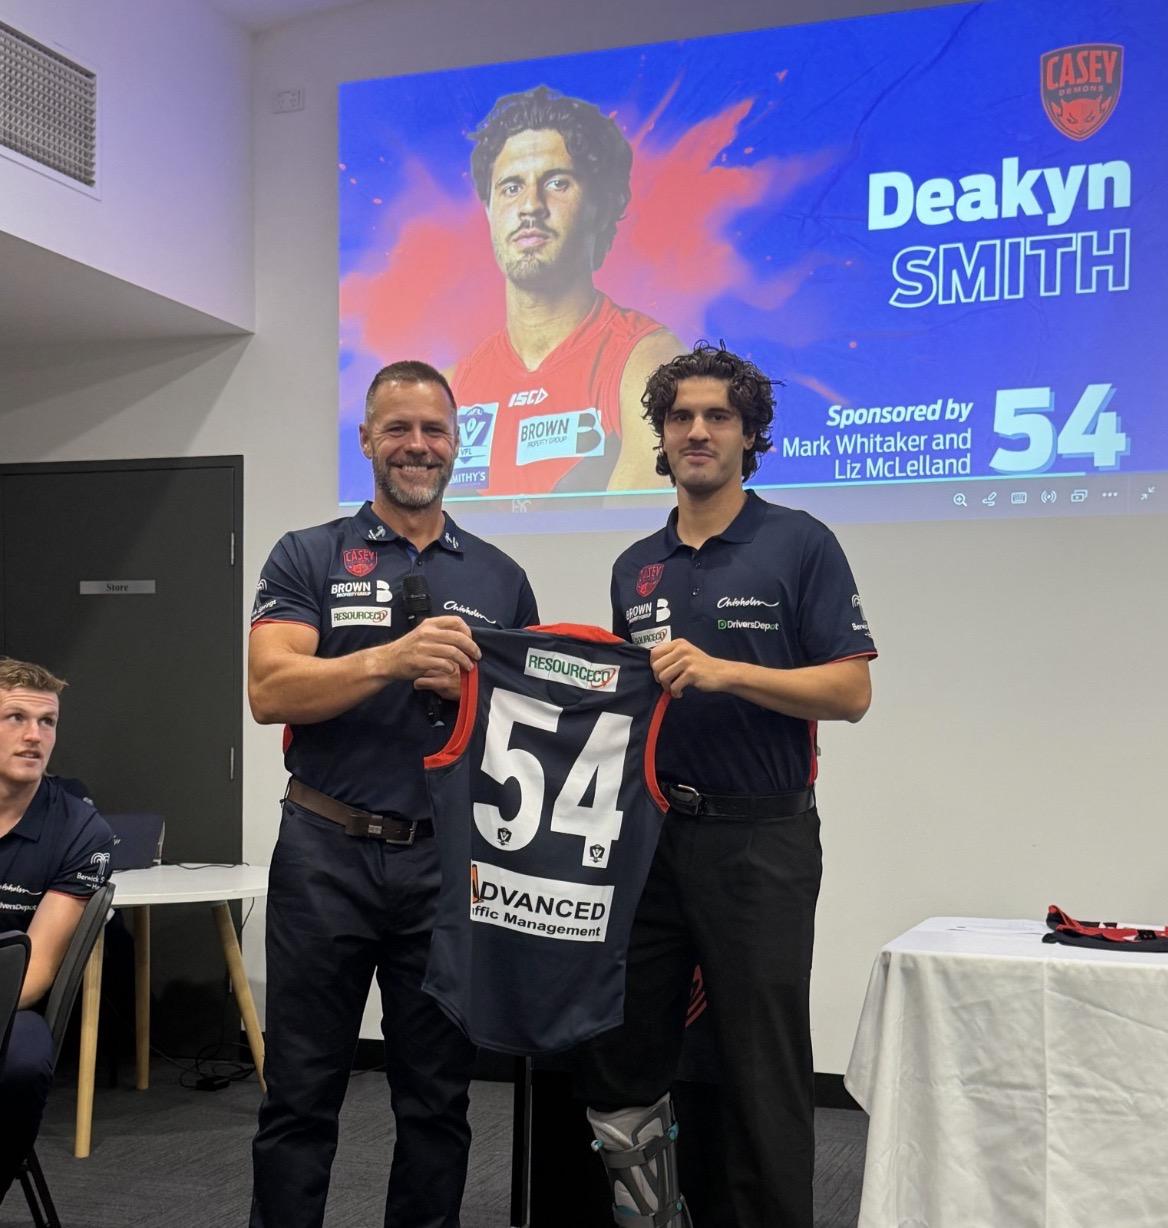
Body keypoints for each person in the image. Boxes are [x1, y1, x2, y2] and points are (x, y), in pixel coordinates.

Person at [576, 344, 877, 1228]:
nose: (697, 432)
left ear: (749, 435)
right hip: (652, 842)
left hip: (761, 842)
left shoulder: (799, 542)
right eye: (680, 418)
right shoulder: (635, 565)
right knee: (626, 1049)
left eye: (717, 417)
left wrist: (726, 673)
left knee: (760, 1065)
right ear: (661, 437)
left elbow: (850, 692)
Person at [248, 360, 538, 1228]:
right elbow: (269, 690)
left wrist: (475, 696)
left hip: (444, 863)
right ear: (368, 439)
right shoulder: (308, 554)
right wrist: (390, 659)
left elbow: (525, 728)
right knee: (300, 1093)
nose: (417, 446)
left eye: (434, 430)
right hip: (324, 855)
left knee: (437, 1099)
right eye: (399, 429)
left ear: (458, 443)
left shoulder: (499, 576)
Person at [450, 85, 683, 497]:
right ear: (489, 211)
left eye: (557, 183)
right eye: (511, 187)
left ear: (601, 207)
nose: (530, 206)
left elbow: (636, 534)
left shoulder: (647, 363)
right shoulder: (451, 388)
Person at [0, 658, 113, 1204]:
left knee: (22, 1064)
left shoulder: (80, 829)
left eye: (47, 722)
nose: (34, 736)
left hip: (10, 1003)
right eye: (15, 718)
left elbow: (36, 971)